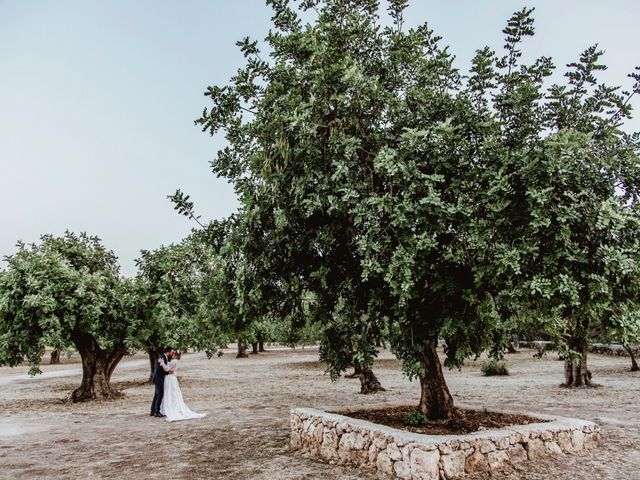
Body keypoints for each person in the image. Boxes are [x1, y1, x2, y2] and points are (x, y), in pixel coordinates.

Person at [159, 350, 206, 422]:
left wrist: (162, 364)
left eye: (173, 353)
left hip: (170, 378)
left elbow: (168, 370)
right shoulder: (172, 360)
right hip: (169, 378)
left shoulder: (174, 361)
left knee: (171, 392)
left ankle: (171, 407)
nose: (172, 354)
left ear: (175, 355)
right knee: (169, 392)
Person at [150, 346, 173, 417]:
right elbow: (162, 369)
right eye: (171, 352)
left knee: (156, 394)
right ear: (168, 352)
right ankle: (157, 412)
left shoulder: (164, 357)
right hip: (158, 378)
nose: (172, 353)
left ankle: (153, 410)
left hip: (158, 378)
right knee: (160, 394)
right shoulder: (162, 357)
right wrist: (168, 372)